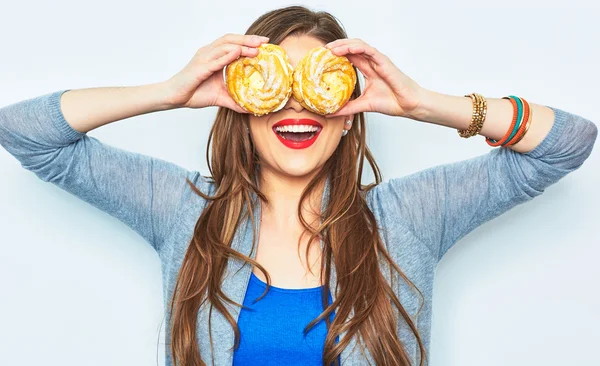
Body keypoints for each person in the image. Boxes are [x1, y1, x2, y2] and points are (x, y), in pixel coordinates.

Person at [0, 5, 597, 366]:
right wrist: (171, 91)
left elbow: (565, 143)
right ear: (241, 105)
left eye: (317, 89)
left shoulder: (408, 216)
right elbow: (25, 133)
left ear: (347, 113)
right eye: (275, 87)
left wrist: (424, 105)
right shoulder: (184, 210)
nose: (297, 107)